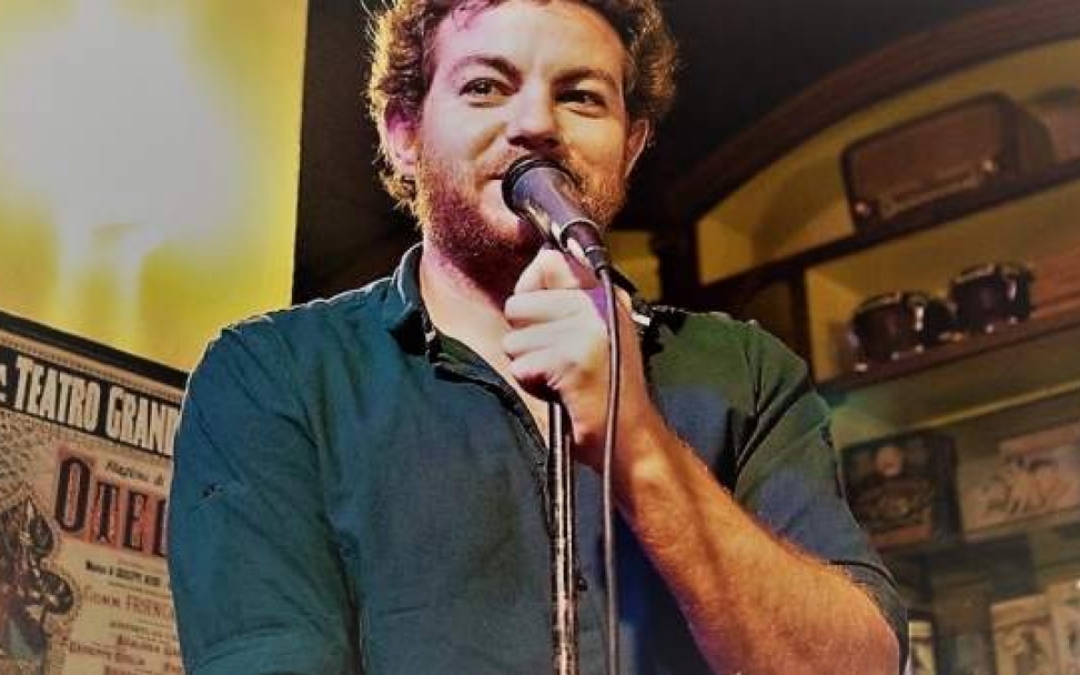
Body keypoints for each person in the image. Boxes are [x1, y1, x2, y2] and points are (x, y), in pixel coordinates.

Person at [167, 0, 906, 673]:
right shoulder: (274, 375)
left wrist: (637, 440)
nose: (537, 125)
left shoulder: (745, 371)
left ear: (631, 147)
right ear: (404, 133)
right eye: (486, 87)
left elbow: (857, 667)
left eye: (581, 96)